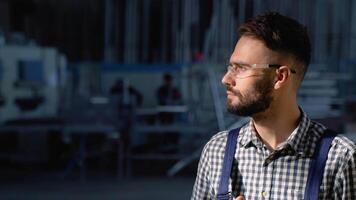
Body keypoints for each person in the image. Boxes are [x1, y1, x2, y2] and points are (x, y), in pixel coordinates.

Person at [191, 12, 356, 200]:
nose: (226, 79)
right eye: (230, 67)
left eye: (241, 68)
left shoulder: (340, 159)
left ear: (280, 77)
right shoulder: (216, 151)